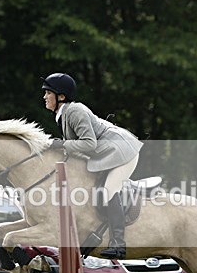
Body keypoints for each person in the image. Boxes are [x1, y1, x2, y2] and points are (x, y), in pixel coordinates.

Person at [41, 72, 142, 259]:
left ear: (61, 96)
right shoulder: (63, 115)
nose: (44, 97)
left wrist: (61, 144)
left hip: (123, 152)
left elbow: (89, 144)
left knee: (109, 190)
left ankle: (119, 244)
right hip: (107, 154)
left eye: (48, 93)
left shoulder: (74, 111)